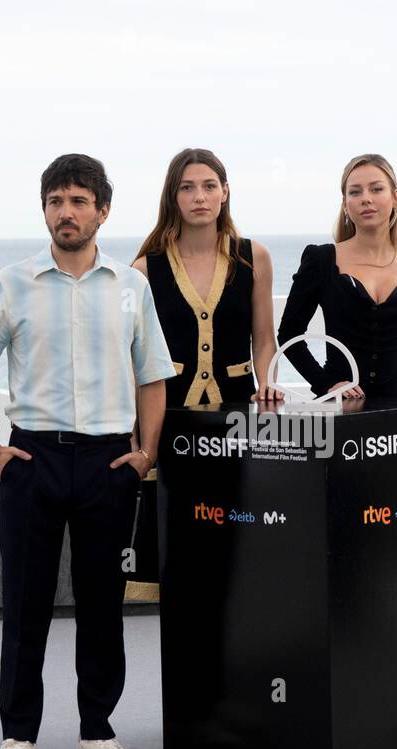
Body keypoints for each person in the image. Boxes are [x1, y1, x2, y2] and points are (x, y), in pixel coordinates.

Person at [0, 153, 176, 749]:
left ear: (102, 211)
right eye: (56, 200)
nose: (67, 212)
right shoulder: (14, 281)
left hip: (110, 461)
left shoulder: (130, 287)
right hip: (33, 459)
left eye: (80, 201)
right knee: (25, 606)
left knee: (103, 606)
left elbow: (153, 376)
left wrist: (146, 454)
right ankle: (17, 740)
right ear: (45, 210)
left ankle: (96, 735)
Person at [124, 148, 281, 599]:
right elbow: (136, 358)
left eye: (209, 186)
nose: (200, 197)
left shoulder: (254, 257)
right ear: (173, 196)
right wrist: (136, 434)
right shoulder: (145, 269)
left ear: (225, 192)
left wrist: (267, 381)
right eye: (187, 187)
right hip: (168, 420)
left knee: (232, 539)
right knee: (174, 545)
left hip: (236, 416)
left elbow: (264, 338)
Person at [276, 153, 397, 402]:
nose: (366, 198)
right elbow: (289, 334)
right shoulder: (320, 260)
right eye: (355, 192)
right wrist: (326, 384)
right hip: (341, 410)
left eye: (376, 189)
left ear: (395, 197)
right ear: (345, 203)